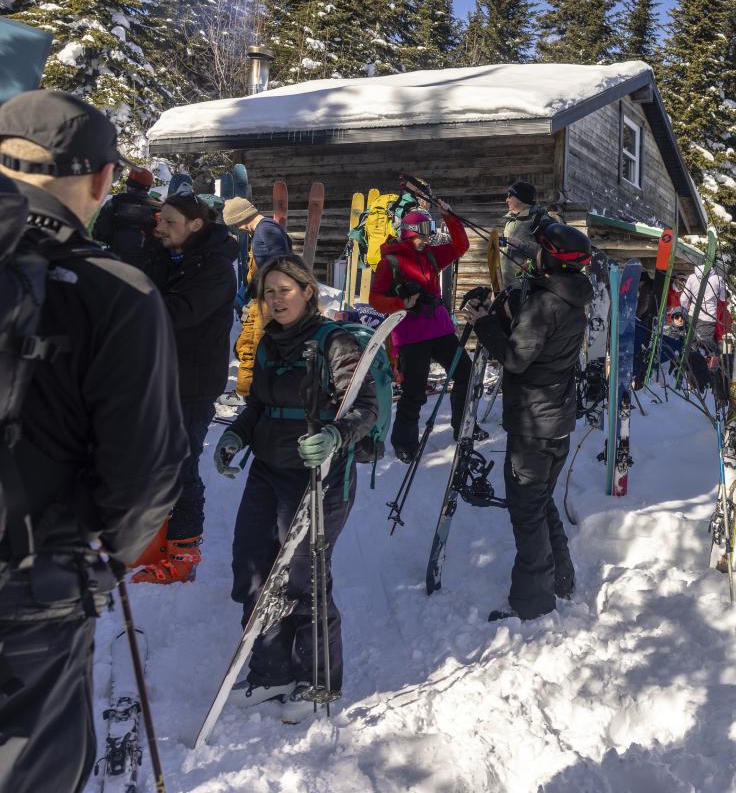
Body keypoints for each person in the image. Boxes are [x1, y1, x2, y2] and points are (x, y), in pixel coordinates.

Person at [0, 90, 185, 793]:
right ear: (104, 179)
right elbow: (145, 472)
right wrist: (94, 570)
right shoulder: (116, 291)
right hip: (29, 585)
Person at [213, 256, 377, 710]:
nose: (275, 299)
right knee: (251, 568)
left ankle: (319, 679)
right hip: (268, 470)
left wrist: (334, 435)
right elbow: (259, 407)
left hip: (321, 475)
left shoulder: (335, 342)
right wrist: (235, 435)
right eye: (268, 292)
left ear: (308, 292)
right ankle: (271, 671)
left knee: (304, 578)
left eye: (285, 290)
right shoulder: (267, 344)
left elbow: (366, 409)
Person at [475, 220, 593, 621]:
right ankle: (561, 578)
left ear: (548, 258)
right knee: (540, 500)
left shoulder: (545, 304)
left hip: (533, 421)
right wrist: (509, 315)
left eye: (539, 249)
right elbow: (536, 347)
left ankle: (532, 600)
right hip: (555, 418)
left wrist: (483, 323)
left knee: (526, 509)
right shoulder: (572, 298)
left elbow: (515, 358)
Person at [132, 193, 239, 583]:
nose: (159, 227)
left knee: (180, 467)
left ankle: (183, 552)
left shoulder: (215, 268)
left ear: (196, 225)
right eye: (160, 219)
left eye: (169, 222)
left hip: (191, 384)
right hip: (158, 376)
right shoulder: (168, 256)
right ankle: (153, 542)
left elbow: (177, 312)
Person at [369, 199, 469, 461]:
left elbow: (460, 245)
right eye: (423, 234)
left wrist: (449, 217)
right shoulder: (390, 262)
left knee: (465, 373)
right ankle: (404, 442)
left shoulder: (431, 255)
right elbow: (376, 300)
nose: (428, 239)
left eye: (429, 233)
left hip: (440, 327)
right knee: (413, 392)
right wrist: (403, 303)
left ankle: (463, 427)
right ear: (410, 233)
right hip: (411, 334)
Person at [225, 196, 293, 400]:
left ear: (241, 218)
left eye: (235, 223)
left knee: (257, 347)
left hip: (269, 301)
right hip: (260, 299)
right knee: (246, 344)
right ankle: (245, 392)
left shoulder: (267, 230)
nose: (238, 228)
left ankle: (257, 395)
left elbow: (280, 266)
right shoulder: (264, 230)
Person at [89, 164, 157, 267]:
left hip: (117, 261)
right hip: (148, 264)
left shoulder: (114, 203)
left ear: (129, 184)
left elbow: (99, 233)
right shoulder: (157, 207)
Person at [498, 180, 547, 289]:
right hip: (503, 286)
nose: (507, 200)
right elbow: (505, 248)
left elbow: (546, 253)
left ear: (520, 198)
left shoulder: (539, 220)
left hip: (524, 288)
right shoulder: (510, 220)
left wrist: (521, 245)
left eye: (509, 195)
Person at [679, 262, 728, 344]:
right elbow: (723, 298)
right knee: (703, 348)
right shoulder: (718, 280)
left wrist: (687, 310)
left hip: (692, 315)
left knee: (689, 344)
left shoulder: (692, 278)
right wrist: (725, 352)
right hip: (708, 319)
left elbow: (684, 299)